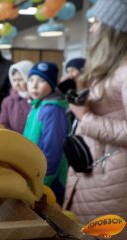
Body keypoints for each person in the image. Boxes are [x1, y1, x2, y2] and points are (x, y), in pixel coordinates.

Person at [64, 0, 127, 232]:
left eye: (96, 22)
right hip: (96, 172)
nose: (91, 29)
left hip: (111, 181)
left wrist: (86, 118)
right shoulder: (112, 68)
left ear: (112, 30)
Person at [23, 61, 68, 204]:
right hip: (36, 173)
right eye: (31, 80)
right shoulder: (38, 105)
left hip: (49, 178)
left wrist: (43, 181)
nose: (34, 85)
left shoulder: (52, 110)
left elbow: (52, 149)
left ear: (52, 85)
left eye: (42, 80)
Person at [0, 60, 33, 134]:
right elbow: (3, 124)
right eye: (14, 80)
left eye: (20, 79)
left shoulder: (38, 100)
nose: (17, 84)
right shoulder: (8, 101)